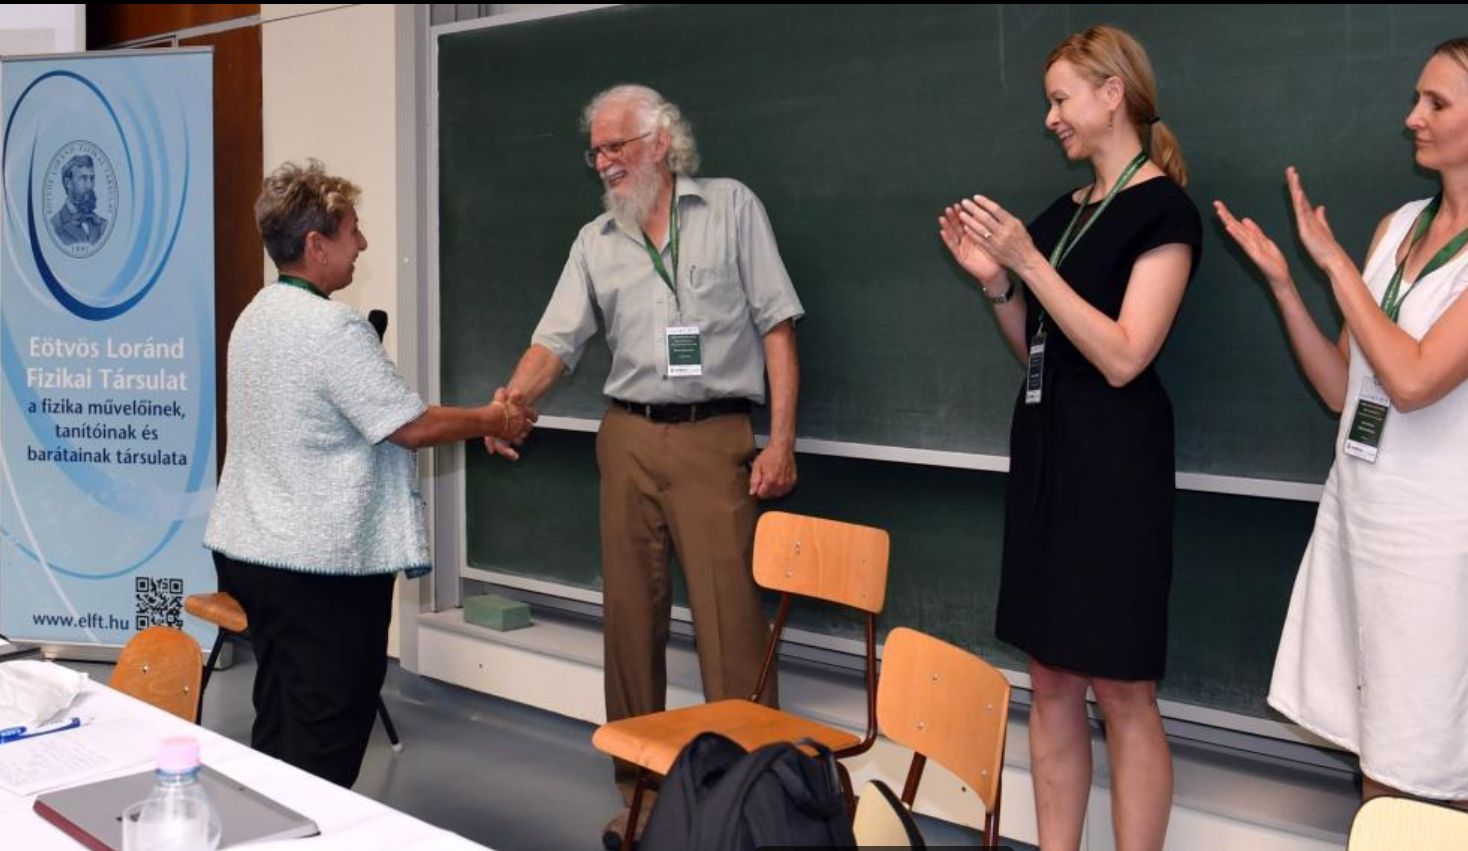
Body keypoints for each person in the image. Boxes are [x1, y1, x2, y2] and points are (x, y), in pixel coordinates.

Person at [490, 83, 803, 846]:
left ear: (660, 142)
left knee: (731, 625)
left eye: (615, 147)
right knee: (630, 623)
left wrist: (782, 439)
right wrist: (510, 403)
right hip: (627, 436)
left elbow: (777, 326)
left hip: (713, 436)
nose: (603, 163)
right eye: (595, 151)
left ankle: (746, 798)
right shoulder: (596, 239)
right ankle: (642, 793)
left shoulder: (732, 207)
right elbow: (556, 342)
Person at [938, 25, 1201, 850]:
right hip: (1049, 454)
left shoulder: (1164, 209)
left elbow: (1125, 355)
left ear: (1111, 94)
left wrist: (1030, 260)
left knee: (1123, 689)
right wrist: (998, 287)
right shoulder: (1066, 212)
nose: (1051, 117)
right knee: (1050, 676)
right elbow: (1044, 347)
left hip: (1117, 467)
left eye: (1060, 98)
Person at [204, 160, 535, 788]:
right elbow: (406, 425)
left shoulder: (257, 314)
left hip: (252, 552)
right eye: (353, 230)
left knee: (278, 715)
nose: (363, 244)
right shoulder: (331, 327)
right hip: (318, 569)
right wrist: (496, 417)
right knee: (326, 736)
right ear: (316, 244)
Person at [1215, 36, 1468, 804]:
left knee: (1427, 767)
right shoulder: (1396, 226)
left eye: (1437, 103)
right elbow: (1342, 387)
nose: (1412, 118)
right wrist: (1290, 285)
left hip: (1439, 547)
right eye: (1417, 99)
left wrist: (1336, 267)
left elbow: (1417, 377)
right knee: (1379, 766)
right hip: (1365, 527)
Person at [51, 154, 107, 246]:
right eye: (83, 178)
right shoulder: (55, 225)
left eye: (92, 178)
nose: (89, 185)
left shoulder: (103, 225)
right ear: (68, 183)